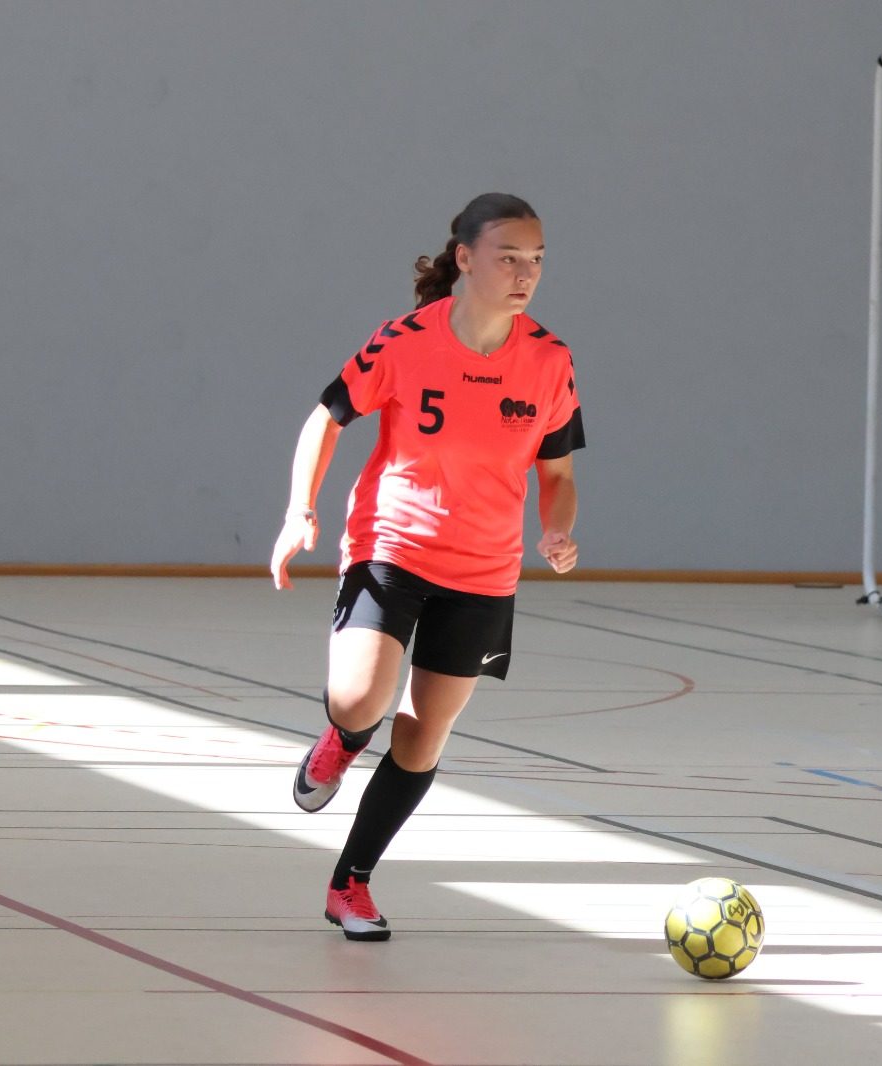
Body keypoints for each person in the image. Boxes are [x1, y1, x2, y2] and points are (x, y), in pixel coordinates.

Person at [269, 192, 584, 940]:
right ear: (465, 258)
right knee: (357, 699)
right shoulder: (406, 340)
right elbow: (327, 416)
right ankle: (340, 740)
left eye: (536, 260)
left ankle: (351, 883)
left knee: (422, 733)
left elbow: (559, 475)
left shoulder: (549, 360)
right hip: (395, 542)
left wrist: (559, 531)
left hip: (483, 570)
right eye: (508, 257)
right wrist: (299, 512)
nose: (524, 273)